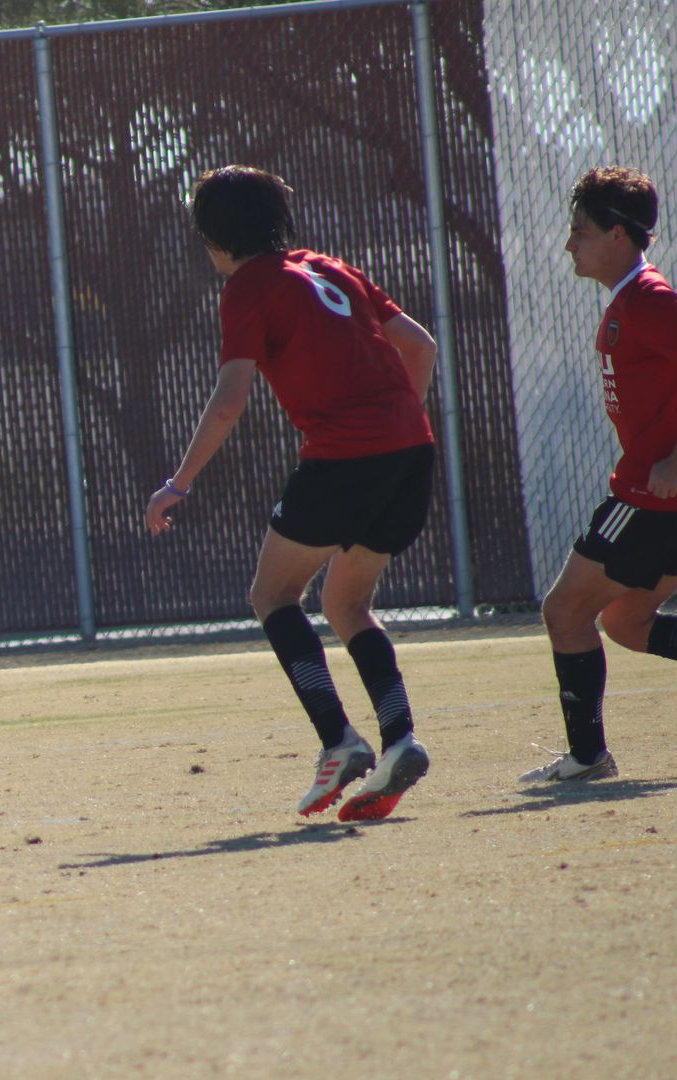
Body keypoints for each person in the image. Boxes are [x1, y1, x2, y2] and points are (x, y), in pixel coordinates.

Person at [145, 165, 439, 822]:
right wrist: (394, 427)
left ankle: (339, 740)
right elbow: (419, 346)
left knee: (272, 595)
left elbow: (229, 403)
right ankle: (399, 740)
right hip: (410, 451)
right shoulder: (330, 267)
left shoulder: (247, 287)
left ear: (215, 238)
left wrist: (179, 483)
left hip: (344, 459)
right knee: (348, 603)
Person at [524, 167, 677, 783]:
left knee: (564, 611)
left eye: (580, 232)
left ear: (618, 235)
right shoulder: (630, 301)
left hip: (646, 499)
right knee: (625, 623)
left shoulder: (650, 300)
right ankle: (588, 756)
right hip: (654, 499)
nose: (569, 245)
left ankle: (588, 758)